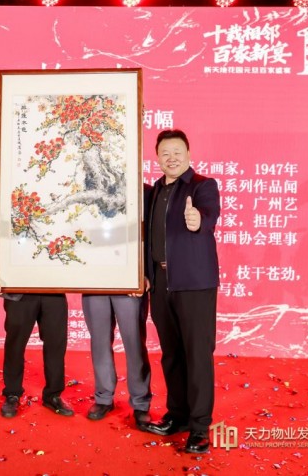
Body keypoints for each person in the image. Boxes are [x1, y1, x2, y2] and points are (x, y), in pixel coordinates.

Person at [142, 129, 220, 454]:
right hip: (160, 283)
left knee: (197, 355)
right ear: (157, 157)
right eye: (165, 153)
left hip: (194, 284)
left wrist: (196, 219)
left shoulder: (202, 186)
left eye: (177, 152)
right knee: (171, 354)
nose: (171, 158)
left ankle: (200, 428)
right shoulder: (154, 191)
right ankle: (177, 416)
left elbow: (209, 216)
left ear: (188, 154)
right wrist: (146, 275)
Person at [0, 275, 73, 418]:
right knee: (15, 344)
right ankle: (12, 393)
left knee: (56, 343)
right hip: (19, 290)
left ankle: (53, 395)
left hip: (54, 289)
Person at [81, 292, 152, 427]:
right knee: (99, 342)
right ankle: (104, 398)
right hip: (94, 285)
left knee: (135, 344)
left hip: (129, 286)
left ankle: (141, 402)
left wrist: (146, 279)